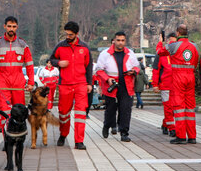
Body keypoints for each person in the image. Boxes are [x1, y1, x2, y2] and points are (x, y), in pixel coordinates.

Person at [49, 21, 93, 150]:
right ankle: (63, 134)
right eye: (66, 34)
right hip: (65, 84)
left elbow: (89, 66)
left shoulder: (84, 48)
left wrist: (89, 83)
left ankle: (79, 141)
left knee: (80, 113)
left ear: (76, 34)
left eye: (70, 34)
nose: (68, 36)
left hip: (80, 84)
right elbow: (51, 59)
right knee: (63, 112)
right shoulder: (60, 46)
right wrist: (58, 63)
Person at [156, 24, 199, 145]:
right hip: (190, 76)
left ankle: (180, 136)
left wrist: (160, 42)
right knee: (190, 107)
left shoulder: (173, 45)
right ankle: (192, 136)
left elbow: (160, 52)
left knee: (179, 107)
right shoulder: (194, 46)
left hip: (178, 78)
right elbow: (195, 61)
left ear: (178, 34)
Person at [96, 32, 140, 142]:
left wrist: (134, 71)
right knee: (110, 110)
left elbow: (137, 67)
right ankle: (107, 125)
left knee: (125, 110)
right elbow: (99, 70)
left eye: (122, 40)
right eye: (118, 40)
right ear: (114, 40)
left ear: (125, 41)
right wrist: (107, 79)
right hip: (111, 86)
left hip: (127, 86)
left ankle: (124, 132)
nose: (120, 43)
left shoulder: (130, 53)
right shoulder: (105, 54)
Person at [0, 16, 34, 132]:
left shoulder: (22, 44)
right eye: (9, 26)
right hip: (2, 81)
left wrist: (31, 82)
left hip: (18, 81)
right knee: (4, 107)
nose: (11, 29)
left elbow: (30, 65)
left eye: (14, 26)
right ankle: (4, 131)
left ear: (17, 27)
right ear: (4, 26)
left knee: (19, 109)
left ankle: (19, 131)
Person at [152, 32, 176, 136]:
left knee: (174, 107)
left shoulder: (178, 54)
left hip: (177, 85)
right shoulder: (161, 54)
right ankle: (172, 128)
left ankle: (165, 124)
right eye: (170, 42)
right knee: (168, 107)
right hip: (165, 85)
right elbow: (156, 70)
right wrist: (155, 85)